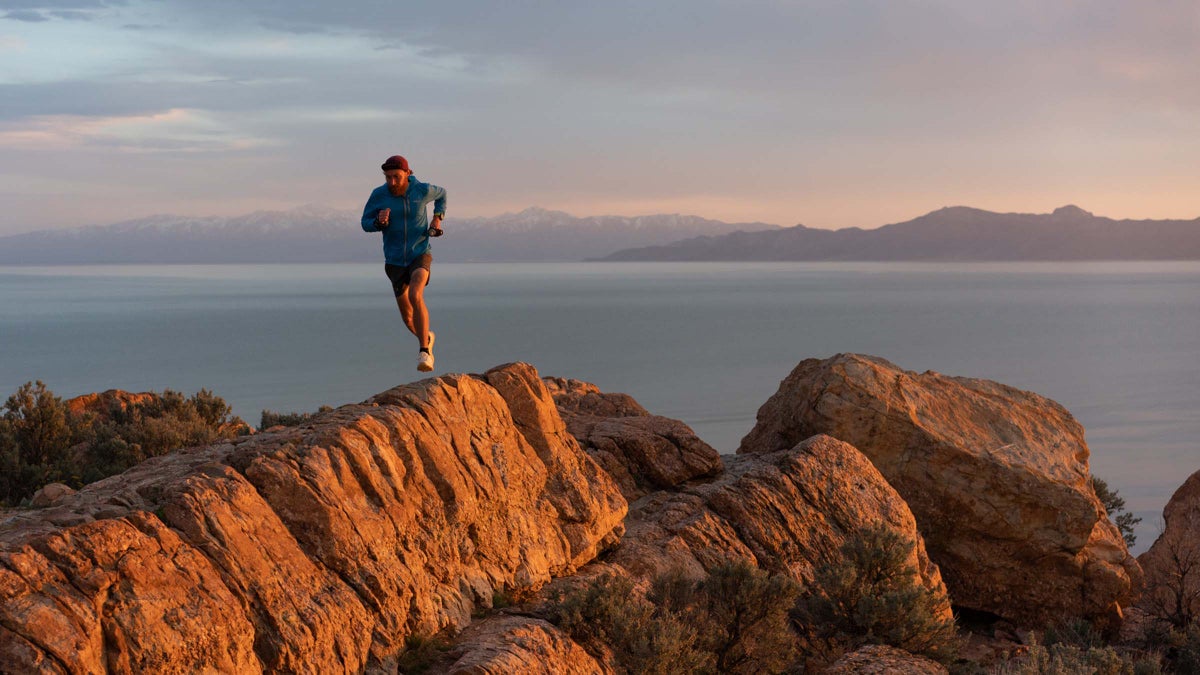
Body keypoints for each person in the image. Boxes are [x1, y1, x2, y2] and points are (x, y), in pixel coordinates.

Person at [361, 154, 447, 372]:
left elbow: (442, 194)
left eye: (396, 177)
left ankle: (424, 352)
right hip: (394, 261)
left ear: (407, 174)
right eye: (388, 177)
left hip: (420, 253)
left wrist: (438, 217)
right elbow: (365, 223)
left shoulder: (422, 190)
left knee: (415, 294)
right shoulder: (378, 195)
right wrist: (378, 222)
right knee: (408, 319)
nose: (392, 182)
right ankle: (426, 336)